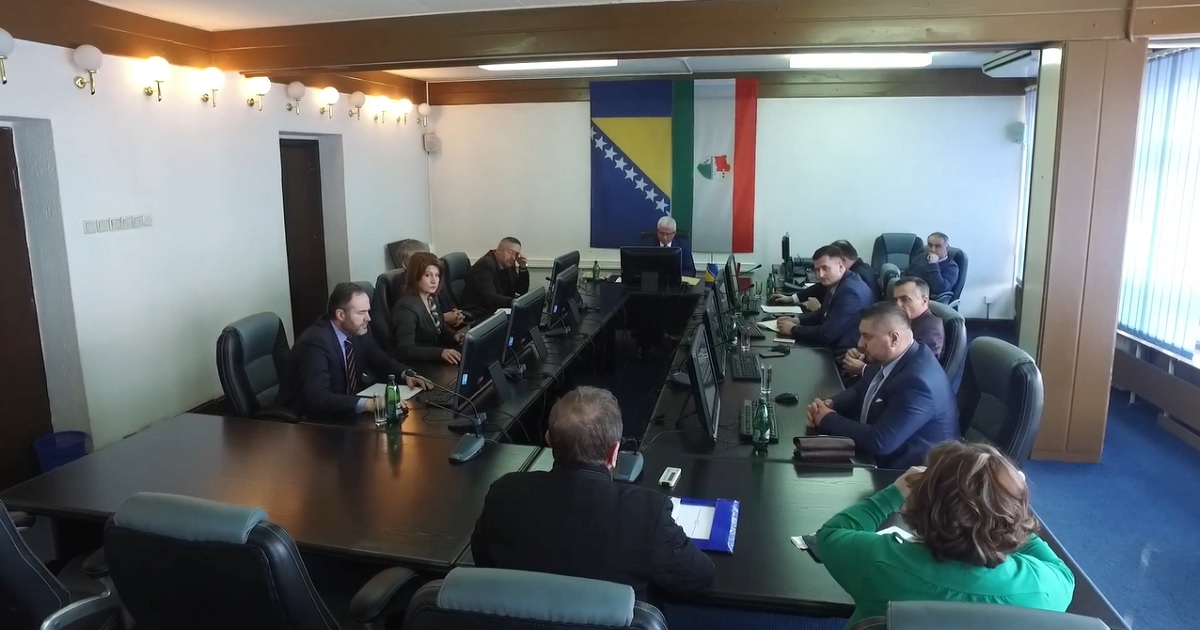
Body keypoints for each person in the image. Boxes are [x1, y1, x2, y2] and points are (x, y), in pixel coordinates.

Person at [471, 386, 715, 601]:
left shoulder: (502, 493)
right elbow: (701, 578)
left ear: (548, 439)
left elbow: (483, 560)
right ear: (614, 452)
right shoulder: (648, 514)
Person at [816, 442, 1075, 626]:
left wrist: (894, 492)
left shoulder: (880, 562)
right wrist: (1007, 505)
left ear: (921, 505)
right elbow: (1062, 571)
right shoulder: (1043, 589)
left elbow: (831, 534)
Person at [806, 302, 958, 469]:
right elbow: (860, 390)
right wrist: (831, 404)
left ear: (894, 338)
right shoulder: (894, 355)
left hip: (905, 472)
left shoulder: (917, 382)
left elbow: (880, 441)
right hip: (877, 455)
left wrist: (827, 419)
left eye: (867, 336)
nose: (860, 343)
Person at [278, 282, 432, 417]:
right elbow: (317, 397)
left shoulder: (357, 329)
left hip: (344, 411)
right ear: (340, 314)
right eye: (361, 313)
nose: (368, 318)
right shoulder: (315, 343)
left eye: (368, 311)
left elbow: (379, 359)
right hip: (308, 422)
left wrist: (405, 374)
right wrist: (369, 404)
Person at [773, 245, 874, 354]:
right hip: (832, 345)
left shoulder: (849, 292)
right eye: (817, 270)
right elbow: (822, 313)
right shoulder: (839, 282)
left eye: (825, 268)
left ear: (840, 266)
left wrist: (793, 329)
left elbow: (827, 334)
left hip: (845, 353)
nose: (820, 275)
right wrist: (797, 320)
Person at [842, 276, 945, 377]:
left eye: (905, 299)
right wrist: (862, 354)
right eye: (896, 300)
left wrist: (864, 369)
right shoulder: (907, 320)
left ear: (924, 301)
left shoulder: (931, 330)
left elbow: (909, 371)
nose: (898, 304)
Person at [390, 252, 465, 364]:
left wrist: (454, 336)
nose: (434, 281)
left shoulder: (431, 298)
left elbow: (438, 326)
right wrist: (440, 353)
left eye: (437, 275)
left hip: (434, 359)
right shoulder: (405, 308)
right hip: (419, 365)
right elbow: (405, 349)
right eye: (428, 275)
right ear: (415, 276)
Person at [779, 240, 877, 312]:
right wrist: (792, 298)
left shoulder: (860, 277)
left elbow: (844, 318)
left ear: (842, 261)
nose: (821, 275)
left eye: (826, 268)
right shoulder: (856, 269)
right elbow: (823, 287)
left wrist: (820, 309)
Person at [390, 238, 465, 329]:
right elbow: (416, 318)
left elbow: (447, 300)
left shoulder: (434, 277)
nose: (426, 262)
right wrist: (444, 318)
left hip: (445, 328)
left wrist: (456, 313)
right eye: (418, 260)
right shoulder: (402, 286)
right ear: (405, 264)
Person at [461, 237, 530, 318]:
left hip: (499, 309)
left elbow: (521, 290)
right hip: (481, 311)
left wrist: (523, 267)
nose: (513, 258)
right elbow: (490, 297)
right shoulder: (485, 265)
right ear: (499, 249)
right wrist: (515, 302)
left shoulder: (508, 263)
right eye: (510, 252)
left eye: (516, 254)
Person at [904, 232, 959, 297]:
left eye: (937, 246)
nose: (932, 249)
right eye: (930, 245)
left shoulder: (951, 266)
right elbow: (906, 273)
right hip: (910, 292)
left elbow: (939, 288)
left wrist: (933, 264)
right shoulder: (921, 257)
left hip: (928, 298)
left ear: (947, 248)